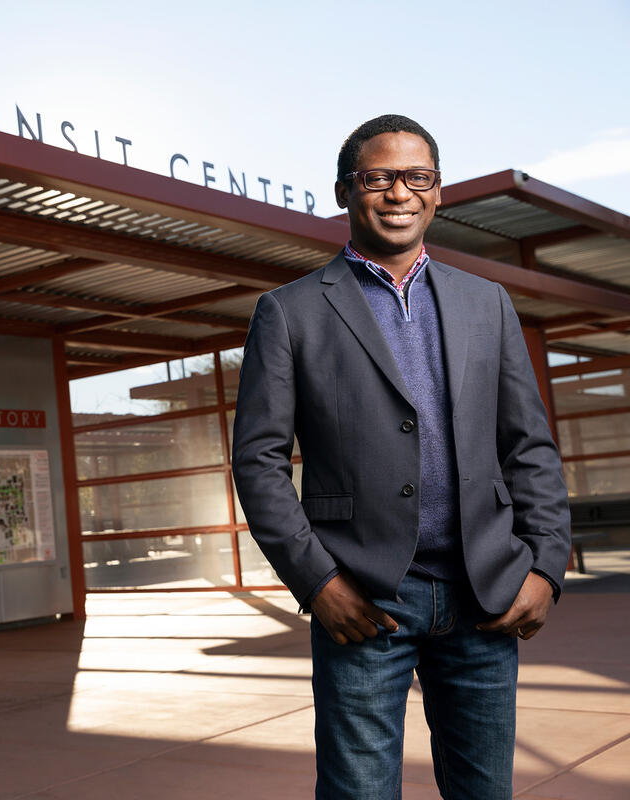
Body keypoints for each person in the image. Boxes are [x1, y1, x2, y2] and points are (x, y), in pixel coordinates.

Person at [231, 114, 571, 799]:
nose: (398, 193)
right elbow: (258, 461)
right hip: (363, 599)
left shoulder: (487, 304)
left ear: (438, 193)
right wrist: (318, 582)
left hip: (486, 596)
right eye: (377, 177)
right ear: (343, 191)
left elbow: (528, 444)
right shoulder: (290, 312)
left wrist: (546, 566)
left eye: (416, 177)